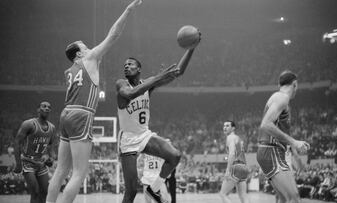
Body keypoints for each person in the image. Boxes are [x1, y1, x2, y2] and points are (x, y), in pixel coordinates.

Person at [45, 1, 143, 202]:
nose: (90, 48)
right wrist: (127, 10)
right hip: (82, 114)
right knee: (80, 172)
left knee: (60, 170)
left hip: (65, 114)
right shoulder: (89, 58)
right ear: (79, 54)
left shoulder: (69, 71)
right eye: (85, 47)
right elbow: (113, 36)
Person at [116, 34, 200, 202]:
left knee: (174, 156)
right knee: (131, 191)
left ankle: (154, 189)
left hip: (144, 135)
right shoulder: (121, 84)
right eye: (125, 65)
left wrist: (191, 48)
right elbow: (132, 93)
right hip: (128, 139)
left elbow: (178, 72)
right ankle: (147, 191)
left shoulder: (148, 84)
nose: (126, 66)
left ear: (139, 69)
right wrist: (159, 77)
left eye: (130, 64)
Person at [257, 70, 310, 203]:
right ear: (295, 84)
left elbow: (279, 131)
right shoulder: (282, 98)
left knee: (284, 199)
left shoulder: (278, 98)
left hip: (272, 152)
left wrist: (296, 153)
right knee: (293, 198)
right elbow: (265, 124)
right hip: (272, 151)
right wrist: (294, 141)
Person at [14, 101, 57, 203]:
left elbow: (51, 147)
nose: (47, 108)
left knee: (45, 192)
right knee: (35, 192)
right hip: (28, 162)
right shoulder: (29, 124)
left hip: (41, 164)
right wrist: (18, 164)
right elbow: (17, 142)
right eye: (44, 106)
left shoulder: (52, 128)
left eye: (49, 107)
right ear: (38, 110)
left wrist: (51, 158)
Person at [219, 121, 250, 203]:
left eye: (227, 126)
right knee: (243, 195)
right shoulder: (238, 138)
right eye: (224, 125)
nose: (225, 127)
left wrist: (228, 170)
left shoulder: (230, 137)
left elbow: (232, 153)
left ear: (233, 128)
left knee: (223, 194)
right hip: (244, 167)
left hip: (235, 166)